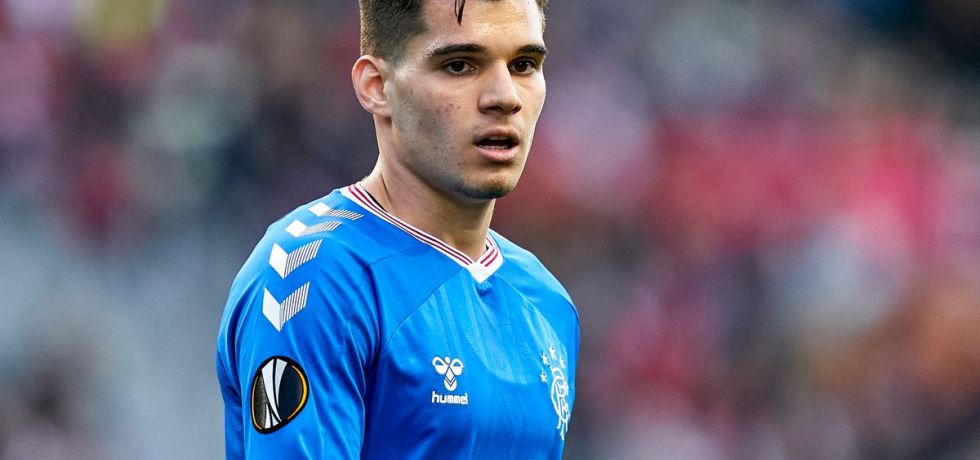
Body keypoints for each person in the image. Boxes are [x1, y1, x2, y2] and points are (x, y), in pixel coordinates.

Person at [216, 0, 579, 457]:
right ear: (377, 87)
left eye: (524, 64)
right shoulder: (316, 275)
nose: (505, 96)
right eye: (460, 65)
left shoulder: (546, 301)